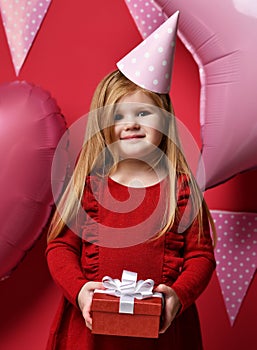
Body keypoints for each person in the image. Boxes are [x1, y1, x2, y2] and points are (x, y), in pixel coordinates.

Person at [46, 12, 216, 350]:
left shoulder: (180, 190)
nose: (131, 124)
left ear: (165, 122)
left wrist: (178, 296)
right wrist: (80, 290)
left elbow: (202, 256)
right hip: (91, 332)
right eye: (119, 116)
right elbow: (60, 247)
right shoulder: (90, 188)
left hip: (163, 334)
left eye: (143, 113)